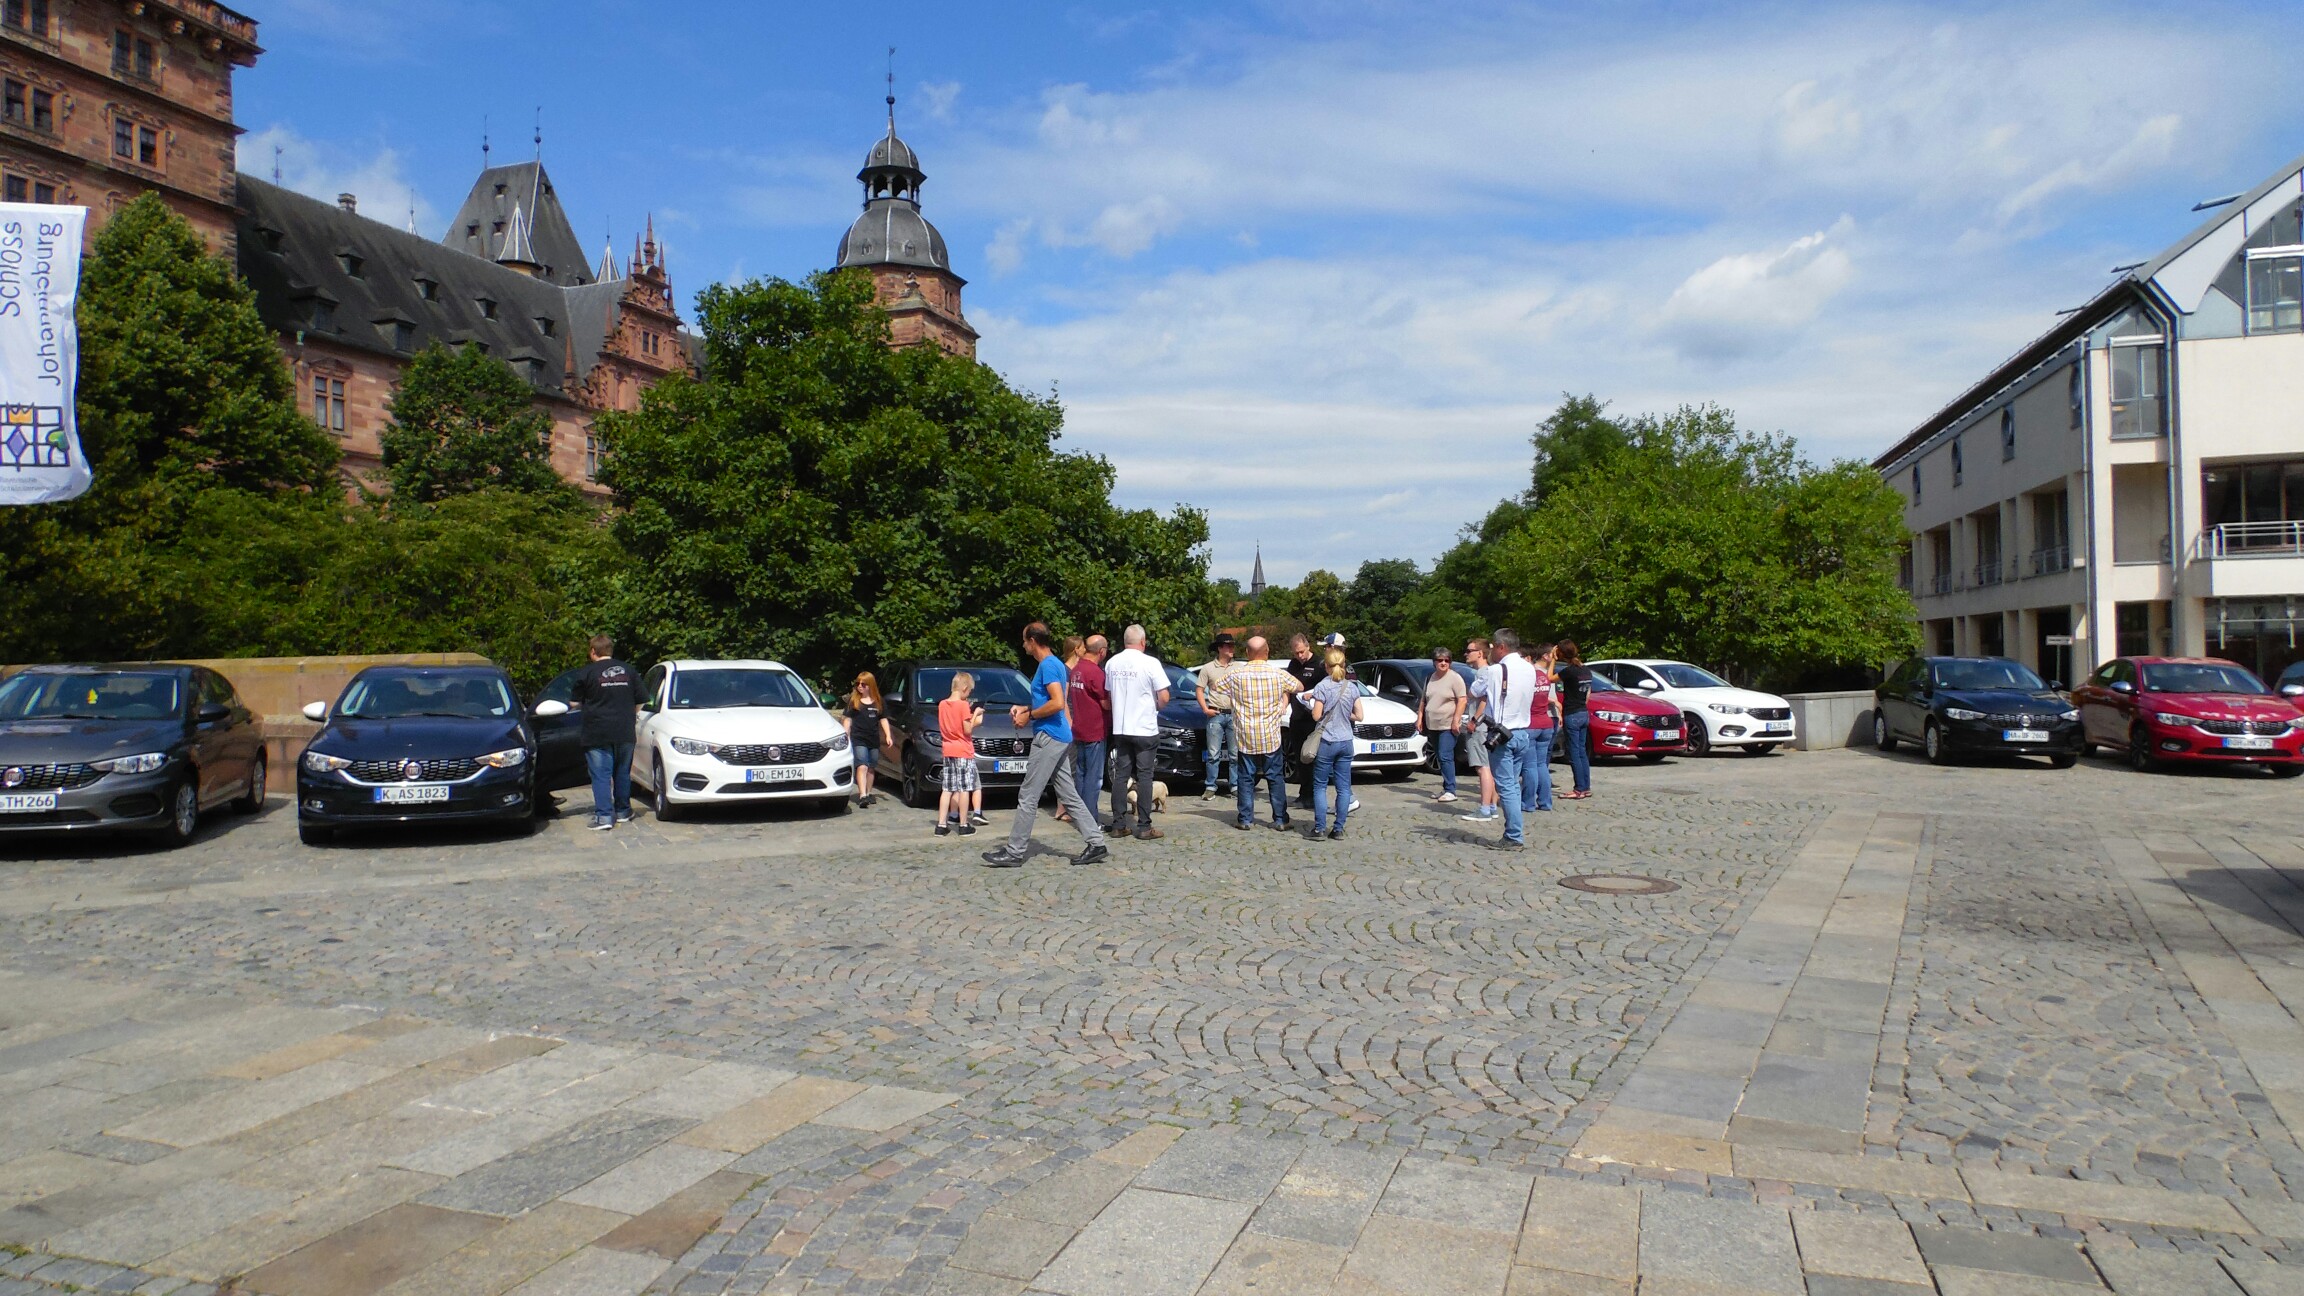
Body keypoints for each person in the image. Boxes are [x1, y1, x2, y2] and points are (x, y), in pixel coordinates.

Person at [981, 622, 1107, 868]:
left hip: (1049, 737)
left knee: (1028, 795)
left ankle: (1014, 851)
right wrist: (1027, 708)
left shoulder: (1048, 666)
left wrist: (1030, 716)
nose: (1022, 644)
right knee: (1069, 795)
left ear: (1032, 641)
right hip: (1057, 735)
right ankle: (1096, 843)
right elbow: (1050, 701)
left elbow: (1058, 703)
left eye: (1024, 640)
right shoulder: (1055, 664)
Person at [1212, 634, 1303, 830]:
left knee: (1245, 777)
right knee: (1275, 776)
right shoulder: (1277, 674)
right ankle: (1280, 819)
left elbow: (1215, 686)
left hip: (1246, 735)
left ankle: (1245, 819)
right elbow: (1299, 686)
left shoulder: (1236, 675)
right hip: (1270, 735)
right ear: (1267, 652)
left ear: (1247, 653)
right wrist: (1282, 700)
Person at [1487, 629, 1559, 850]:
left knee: (1507, 786)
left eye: (1493, 647)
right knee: (1516, 783)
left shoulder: (1496, 670)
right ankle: (1515, 830)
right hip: (1523, 732)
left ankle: (1513, 836)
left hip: (1503, 734)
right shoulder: (1530, 669)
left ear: (1501, 647)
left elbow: (1477, 691)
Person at [1103, 625, 1171, 840]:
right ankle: (1143, 826)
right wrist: (1157, 706)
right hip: (1144, 728)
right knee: (1144, 777)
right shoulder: (1150, 663)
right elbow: (1164, 696)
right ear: (1143, 642)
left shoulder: (1112, 663)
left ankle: (1118, 824)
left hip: (1122, 728)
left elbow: (1108, 695)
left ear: (1125, 642)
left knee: (1121, 777)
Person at [573, 634, 638, 831]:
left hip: (597, 732)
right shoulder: (629, 670)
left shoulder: (587, 673)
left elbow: (574, 703)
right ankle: (623, 811)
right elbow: (642, 700)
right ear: (610, 651)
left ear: (593, 652)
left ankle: (604, 817)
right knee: (622, 772)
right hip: (625, 730)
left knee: (601, 775)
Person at [1303, 647, 1364, 839]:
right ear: (1343, 665)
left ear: (1326, 666)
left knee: (1320, 785)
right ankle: (1338, 828)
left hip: (1328, 740)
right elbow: (1360, 716)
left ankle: (1320, 827)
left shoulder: (1322, 687)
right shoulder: (1352, 687)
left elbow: (1316, 715)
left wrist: (1310, 704)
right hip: (1346, 741)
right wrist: (1346, 715)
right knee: (1344, 787)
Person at [1065, 636, 1109, 826]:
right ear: (1101, 651)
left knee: (1081, 776)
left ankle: (1080, 816)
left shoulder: (1076, 670)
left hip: (1079, 729)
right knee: (1094, 778)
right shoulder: (1096, 673)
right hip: (1094, 731)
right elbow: (1105, 703)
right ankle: (1091, 820)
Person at [935, 671, 984, 836]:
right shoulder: (963, 706)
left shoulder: (942, 704)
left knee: (947, 788)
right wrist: (975, 715)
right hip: (963, 750)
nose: (969, 694)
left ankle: (941, 825)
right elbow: (967, 729)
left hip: (947, 749)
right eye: (969, 691)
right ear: (964, 688)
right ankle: (963, 824)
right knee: (964, 789)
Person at [1195, 632, 1241, 798]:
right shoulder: (1208, 668)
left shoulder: (1239, 667)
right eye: (1228, 646)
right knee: (1213, 753)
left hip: (1234, 714)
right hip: (1215, 713)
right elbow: (1199, 689)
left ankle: (1235, 786)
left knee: (1235, 753)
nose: (1231, 649)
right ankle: (1210, 786)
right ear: (1220, 648)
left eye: (1232, 645)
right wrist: (1205, 709)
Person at [1458, 638, 1499, 822]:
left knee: (1482, 767)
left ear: (1480, 653)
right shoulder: (1491, 672)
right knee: (1488, 767)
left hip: (1480, 726)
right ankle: (1491, 805)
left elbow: (1481, 698)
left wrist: (1474, 720)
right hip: (1488, 725)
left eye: (1469, 650)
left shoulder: (1484, 673)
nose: (1466, 654)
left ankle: (1485, 808)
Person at [1421, 647, 1467, 804]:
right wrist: (1420, 717)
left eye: (1447, 660)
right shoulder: (1430, 678)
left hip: (1448, 724)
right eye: (1440, 660)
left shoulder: (1455, 678)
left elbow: (1462, 699)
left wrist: (1456, 720)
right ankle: (1446, 785)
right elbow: (1424, 700)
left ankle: (1451, 790)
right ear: (1434, 662)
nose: (1443, 663)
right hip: (1432, 723)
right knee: (1440, 756)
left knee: (1445, 755)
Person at [1284, 634, 1323, 808]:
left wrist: (1313, 694)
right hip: (1297, 716)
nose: (1300, 656)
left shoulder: (1319, 665)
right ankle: (1304, 794)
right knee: (1300, 757)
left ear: (1308, 647)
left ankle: (1314, 795)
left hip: (1313, 718)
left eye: (1302, 652)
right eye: (1296, 653)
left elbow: (1326, 688)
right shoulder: (1293, 665)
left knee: (1312, 757)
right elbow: (1287, 687)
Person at [1554, 639, 1594, 800]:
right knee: (1582, 752)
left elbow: (1550, 678)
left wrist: (1552, 661)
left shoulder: (1569, 671)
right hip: (1583, 712)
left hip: (1572, 714)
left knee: (1574, 753)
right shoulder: (1586, 671)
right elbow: (1588, 695)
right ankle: (1586, 787)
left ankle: (1578, 789)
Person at [843, 672, 888, 808]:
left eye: (863, 684)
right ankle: (862, 795)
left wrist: (888, 735)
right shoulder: (854, 701)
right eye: (858, 684)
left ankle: (868, 793)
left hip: (873, 739)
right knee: (862, 765)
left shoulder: (878, 701)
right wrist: (846, 735)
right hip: (859, 738)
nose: (860, 687)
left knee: (871, 767)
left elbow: (883, 719)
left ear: (870, 685)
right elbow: (847, 719)